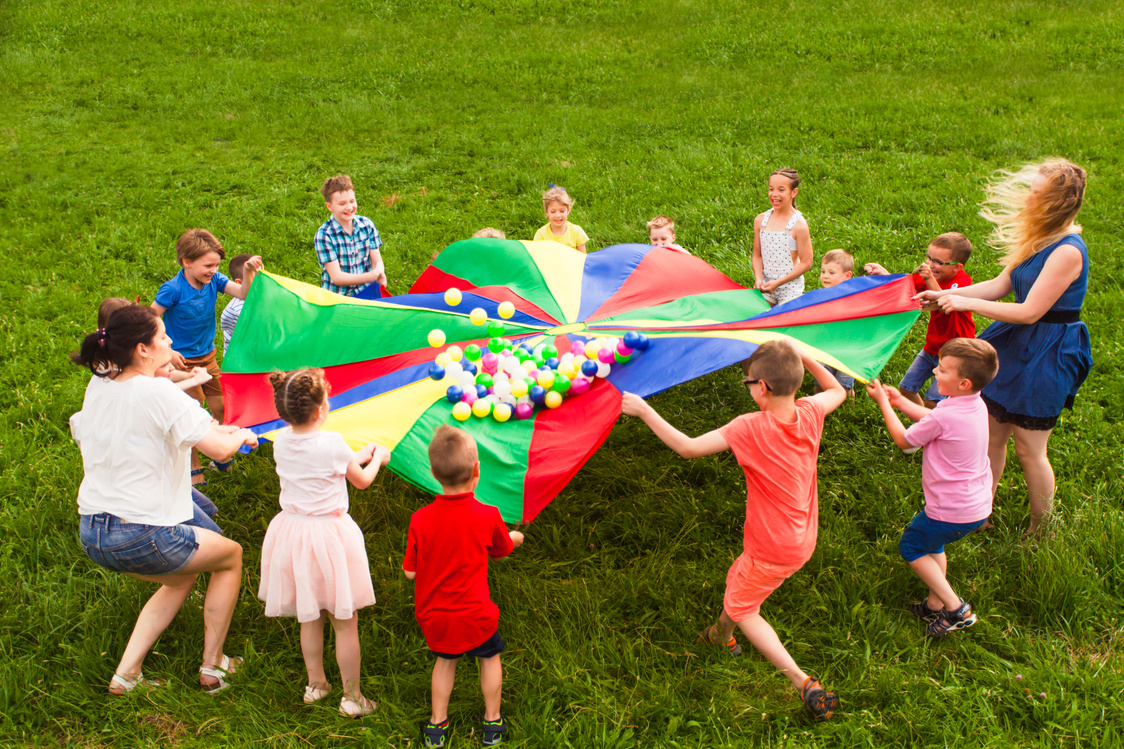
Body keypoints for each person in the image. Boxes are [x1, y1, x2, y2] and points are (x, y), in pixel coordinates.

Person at [621, 340, 846, 721]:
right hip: (802, 535)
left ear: (763, 388)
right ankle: (720, 635)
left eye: (747, 382)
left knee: (746, 608)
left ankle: (803, 683)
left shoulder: (749, 427)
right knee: (740, 589)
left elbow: (688, 448)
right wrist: (803, 354)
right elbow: (837, 390)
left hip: (772, 545)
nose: (747, 387)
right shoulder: (809, 412)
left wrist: (644, 411)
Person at [69, 305, 258, 695]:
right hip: (139, 533)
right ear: (142, 349)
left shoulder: (101, 383)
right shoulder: (156, 392)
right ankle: (214, 666)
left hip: (93, 532)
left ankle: (127, 674)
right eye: (163, 337)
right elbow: (219, 451)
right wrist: (241, 436)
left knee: (181, 576)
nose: (170, 343)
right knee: (230, 556)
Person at [917, 159, 1091, 536]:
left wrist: (964, 304)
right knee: (993, 433)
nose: (1028, 196)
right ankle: (982, 511)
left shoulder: (1068, 251)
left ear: (1056, 203)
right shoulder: (1038, 237)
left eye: (1036, 192)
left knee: (1030, 448)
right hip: (1014, 344)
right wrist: (947, 293)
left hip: (1048, 350)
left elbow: (1030, 311)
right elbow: (1000, 286)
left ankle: (1039, 531)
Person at [257, 369, 391, 717]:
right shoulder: (332, 443)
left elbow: (327, 464)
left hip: (294, 534)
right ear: (320, 410)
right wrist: (377, 458)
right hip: (329, 538)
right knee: (344, 621)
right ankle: (353, 697)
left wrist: (356, 453)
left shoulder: (281, 440)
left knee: (310, 615)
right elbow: (359, 481)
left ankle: (316, 684)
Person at [867, 338, 999, 637]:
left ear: (963, 382)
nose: (935, 373)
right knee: (932, 545)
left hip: (950, 509)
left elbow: (904, 441)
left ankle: (955, 609)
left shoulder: (947, 412)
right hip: (974, 505)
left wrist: (885, 404)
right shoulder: (973, 404)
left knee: (912, 547)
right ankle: (934, 603)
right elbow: (936, 421)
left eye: (942, 370)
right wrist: (901, 402)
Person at [403, 426, 525, 747]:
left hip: (436, 617)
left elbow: (410, 573)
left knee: (445, 661)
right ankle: (492, 721)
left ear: (432, 473)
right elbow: (500, 552)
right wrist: (514, 538)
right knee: (490, 658)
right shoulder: (488, 515)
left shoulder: (420, 519)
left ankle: (437, 725)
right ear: (477, 470)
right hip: (476, 615)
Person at [151, 229, 262, 484]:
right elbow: (152, 317)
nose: (213, 270)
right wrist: (168, 350)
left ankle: (220, 457)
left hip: (208, 356)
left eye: (216, 265)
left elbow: (244, 293)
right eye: (208, 265)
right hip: (182, 362)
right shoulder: (172, 290)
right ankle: (193, 465)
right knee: (190, 412)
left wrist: (247, 271)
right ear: (186, 262)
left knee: (220, 406)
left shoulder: (215, 280)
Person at [866, 233, 976, 408]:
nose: (931, 265)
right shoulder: (931, 275)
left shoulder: (962, 282)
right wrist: (885, 274)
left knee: (933, 400)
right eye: (929, 258)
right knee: (906, 389)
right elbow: (906, 287)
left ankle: (936, 427)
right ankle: (924, 422)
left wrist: (929, 278)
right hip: (932, 347)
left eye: (939, 262)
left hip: (956, 353)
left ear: (957, 267)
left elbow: (945, 303)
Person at [315, 174, 388, 299]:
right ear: (329, 206)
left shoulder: (367, 225)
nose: (349, 207)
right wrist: (370, 276)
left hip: (367, 291)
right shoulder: (324, 235)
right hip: (338, 297)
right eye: (342, 203)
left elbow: (377, 260)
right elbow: (337, 277)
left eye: (352, 201)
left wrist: (380, 273)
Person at [751, 169, 813, 306]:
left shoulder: (799, 225)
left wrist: (778, 283)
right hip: (766, 288)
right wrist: (759, 279)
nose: (774, 194)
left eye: (781, 190)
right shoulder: (761, 220)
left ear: (794, 192)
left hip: (790, 290)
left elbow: (806, 262)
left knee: (783, 322)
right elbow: (757, 255)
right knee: (753, 316)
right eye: (771, 189)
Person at [817, 249, 856, 392]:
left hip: (849, 348)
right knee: (820, 384)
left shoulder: (853, 297)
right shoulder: (820, 297)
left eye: (831, 273)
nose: (825, 276)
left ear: (847, 276)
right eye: (823, 272)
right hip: (826, 346)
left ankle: (849, 409)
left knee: (844, 386)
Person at [533, 185, 588, 253]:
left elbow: (583, 258)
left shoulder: (576, 232)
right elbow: (537, 257)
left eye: (562, 211)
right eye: (553, 211)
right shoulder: (541, 235)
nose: (558, 215)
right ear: (546, 212)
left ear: (568, 210)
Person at [219, 254, 254, 356]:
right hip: (241, 360)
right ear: (239, 282)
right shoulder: (235, 311)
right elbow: (247, 340)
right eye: (256, 277)